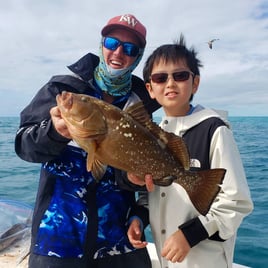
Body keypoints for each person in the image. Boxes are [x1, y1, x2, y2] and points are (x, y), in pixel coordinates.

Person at [15, 14, 160, 268]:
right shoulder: (62, 89)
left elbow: (137, 174)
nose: (118, 52)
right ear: (101, 43)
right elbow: (23, 145)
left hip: (120, 243)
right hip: (56, 243)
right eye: (112, 42)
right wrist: (54, 133)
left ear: (137, 56)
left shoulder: (142, 105)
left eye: (129, 48)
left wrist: (136, 200)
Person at [127, 34, 253, 268]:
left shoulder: (214, 130)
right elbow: (153, 191)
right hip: (167, 260)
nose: (170, 83)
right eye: (160, 78)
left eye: (180, 75)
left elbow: (237, 202)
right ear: (150, 89)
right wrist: (138, 218)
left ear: (195, 83)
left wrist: (190, 234)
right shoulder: (155, 135)